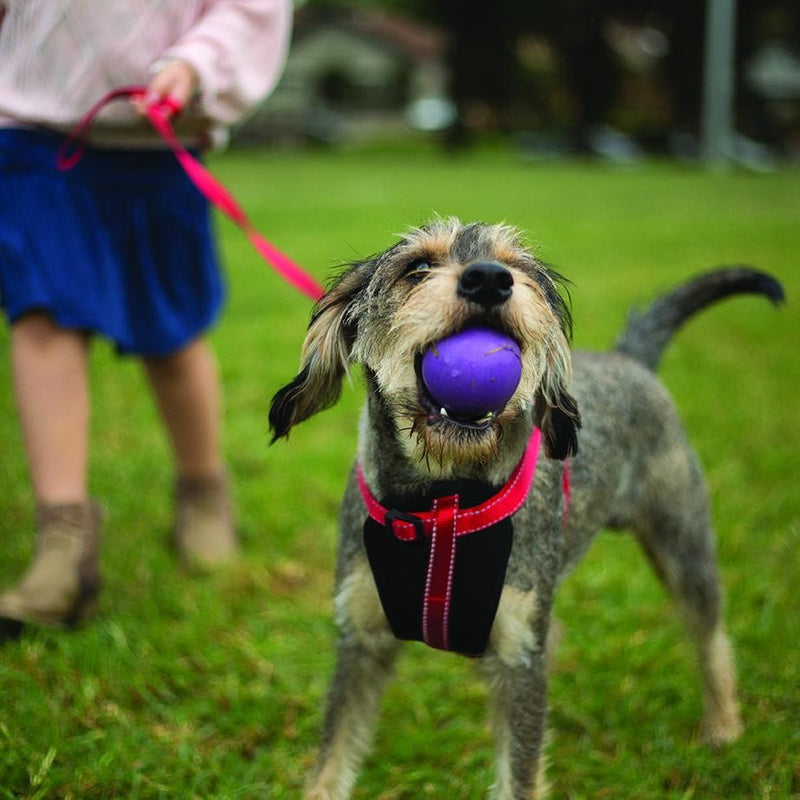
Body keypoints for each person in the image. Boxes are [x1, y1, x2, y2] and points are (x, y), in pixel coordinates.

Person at [0, 0, 292, 634]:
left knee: (172, 333)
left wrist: (194, 62)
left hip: (160, 140)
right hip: (31, 131)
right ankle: (63, 544)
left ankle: (203, 492)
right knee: (43, 316)